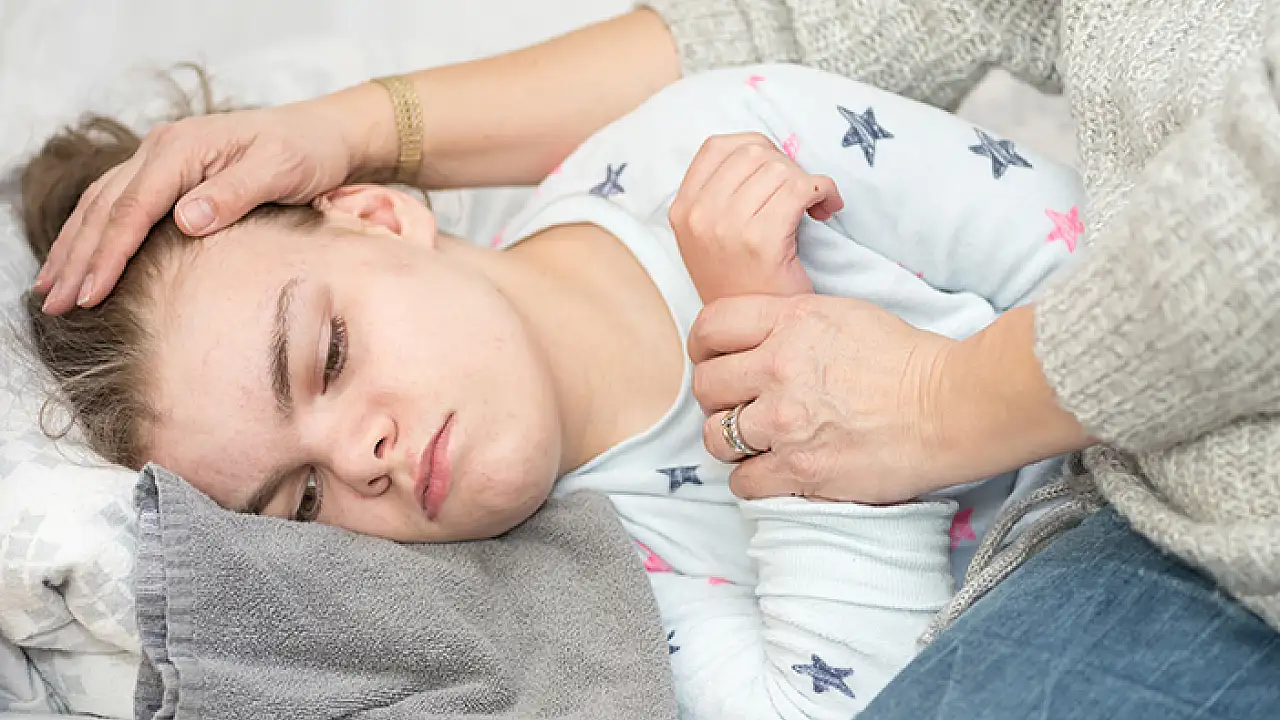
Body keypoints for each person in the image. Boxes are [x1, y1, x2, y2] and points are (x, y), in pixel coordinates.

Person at [30, 2, 1280, 717]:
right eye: (299, 500)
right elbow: (840, 707)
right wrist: (796, 425)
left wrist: (887, 383)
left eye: (330, 354)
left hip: (1187, 441)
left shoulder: (726, 147)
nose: (358, 453)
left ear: (375, 215)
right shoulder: (587, 574)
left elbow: (1104, 266)